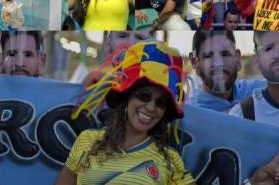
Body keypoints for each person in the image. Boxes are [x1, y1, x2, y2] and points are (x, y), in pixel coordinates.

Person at [54, 41, 196, 185]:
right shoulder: (87, 140)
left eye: (161, 103)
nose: (151, 107)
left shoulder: (170, 159)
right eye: (144, 96)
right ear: (127, 96)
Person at [189, 30, 266, 113]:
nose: (218, 64)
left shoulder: (259, 91)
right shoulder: (190, 114)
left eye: (225, 54)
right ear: (195, 62)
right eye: (208, 56)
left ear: (237, 59)